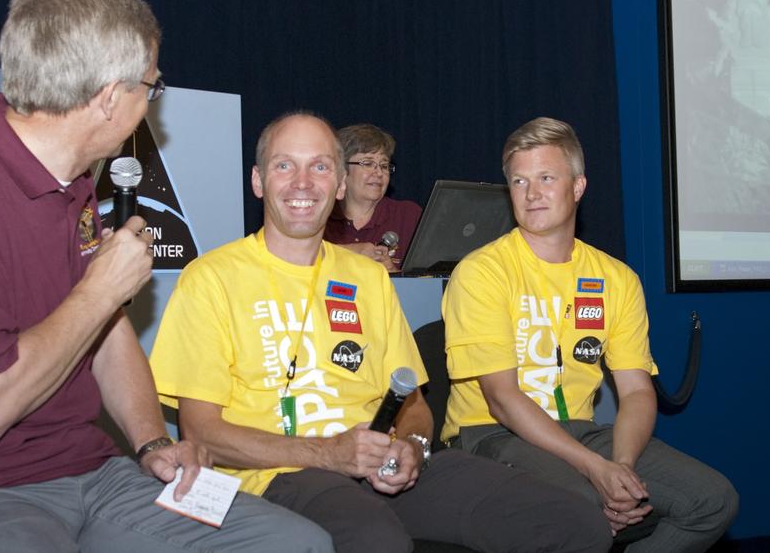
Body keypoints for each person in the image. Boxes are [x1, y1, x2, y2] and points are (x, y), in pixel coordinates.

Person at [0, 0, 330, 553]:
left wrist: (150, 444)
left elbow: (106, 333)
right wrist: (100, 290)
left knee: (296, 543)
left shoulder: (73, 187)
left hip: (90, 472)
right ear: (111, 97)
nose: (151, 103)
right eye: (153, 86)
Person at [149, 112, 612, 552]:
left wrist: (411, 446)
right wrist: (328, 453)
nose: (303, 182)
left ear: (339, 184)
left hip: (376, 467)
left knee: (576, 525)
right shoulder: (211, 277)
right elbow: (202, 431)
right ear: (257, 181)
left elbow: (411, 402)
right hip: (276, 476)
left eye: (320, 166)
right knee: (376, 540)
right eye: (284, 165)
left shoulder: (366, 278)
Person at [441, 117, 739, 552]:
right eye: (519, 181)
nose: (532, 193)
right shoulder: (482, 272)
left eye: (546, 177)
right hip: (489, 433)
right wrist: (595, 471)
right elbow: (502, 400)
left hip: (581, 429)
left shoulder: (616, 278)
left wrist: (620, 465)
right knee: (580, 505)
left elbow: (637, 391)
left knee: (713, 500)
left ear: (578, 187)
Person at [323, 123, 422, 271]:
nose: (378, 173)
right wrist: (350, 252)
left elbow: (431, 283)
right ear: (341, 170)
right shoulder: (319, 216)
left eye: (384, 165)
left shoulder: (408, 216)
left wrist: (394, 275)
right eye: (368, 163)